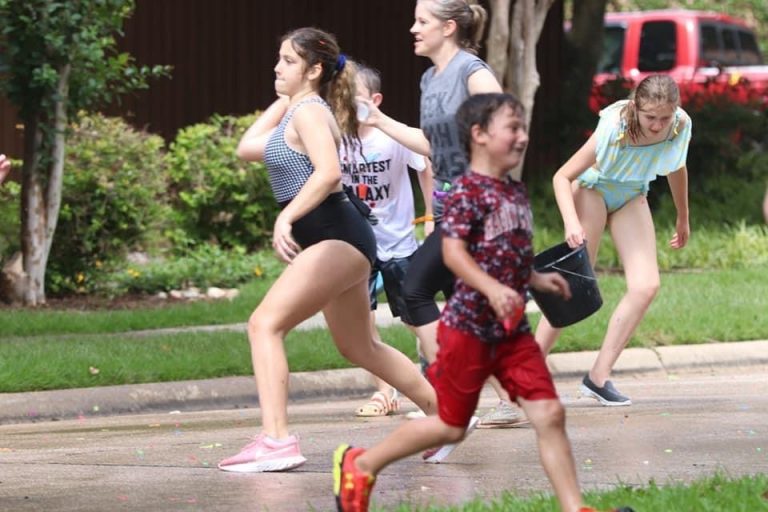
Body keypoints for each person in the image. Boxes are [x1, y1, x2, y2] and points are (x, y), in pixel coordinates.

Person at [332, 93, 634, 512]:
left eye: (522, 128)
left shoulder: (513, 193)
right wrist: (491, 289)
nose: (522, 137)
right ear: (479, 135)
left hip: (511, 333)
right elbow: (454, 254)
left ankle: (574, 508)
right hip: (469, 331)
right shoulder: (466, 193)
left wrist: (536, 278)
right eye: (512, 129)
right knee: (450, 426)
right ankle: (361, 465)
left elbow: (507, 252)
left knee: (549, 415)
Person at [217, 27, 440, 473]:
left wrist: (285, 217)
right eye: (279, 58)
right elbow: (246, 147)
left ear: (314, 70)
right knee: (360, 346)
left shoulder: (309, 114)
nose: (277, 67)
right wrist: (286, 96)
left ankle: (277, 441)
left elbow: (329, 173)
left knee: (264, 324)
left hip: (336, 236)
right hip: (341, 239)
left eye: (288, 61)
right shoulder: (299, 111)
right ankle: (447, 416)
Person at [360, 0, 525, 427]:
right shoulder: (430, 78)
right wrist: (379, 119)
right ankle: (511, 396)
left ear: (448, 27)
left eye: (422, 21)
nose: (413, 28)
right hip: (449, 203)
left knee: (415, 290)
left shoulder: (472, 73)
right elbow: (432, 145)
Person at [535, 74, 692, 406]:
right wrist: (571, 222)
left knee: (646, 286)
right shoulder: (613, 126)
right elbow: (562, 176)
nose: (657, 125)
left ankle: (598, 377)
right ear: (636, 107)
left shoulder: (679, 124)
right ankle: (526, 373)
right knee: (573, 284)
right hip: (592, 189)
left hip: (632, 193)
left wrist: (683, 216)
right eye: (650, 117)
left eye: (664, 118)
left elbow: (677, 167)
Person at [339, 62, 434, 417]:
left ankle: (435, 374)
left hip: (398, 243)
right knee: (362, 322)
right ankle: (384, 391)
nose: (347, 103)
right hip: (356, 245)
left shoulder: (392, 136)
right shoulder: (336, 139)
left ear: (375, 100)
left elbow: (426, 166)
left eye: (355, 96)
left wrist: (431, 217)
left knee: (414, 317)